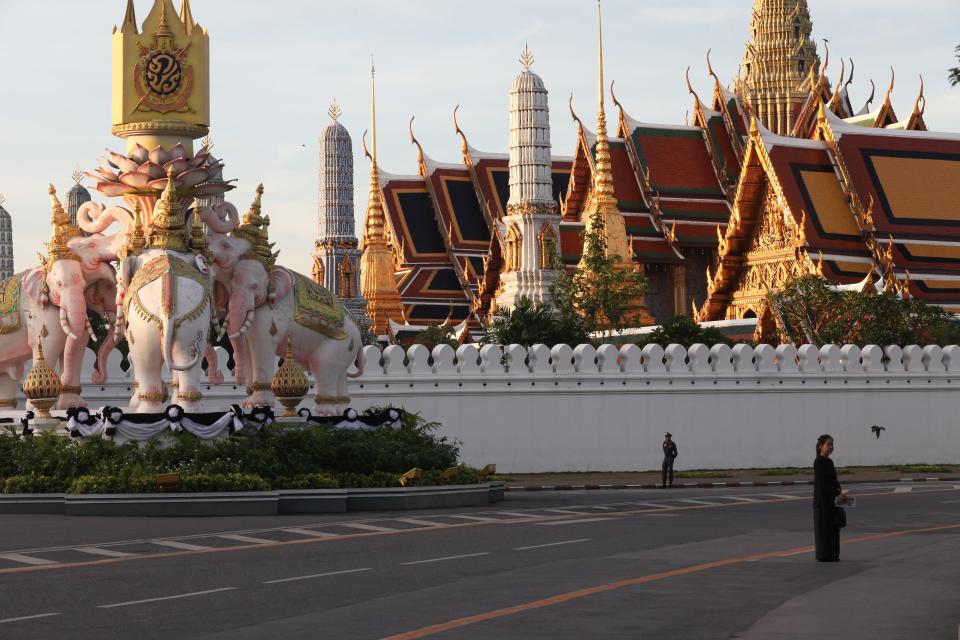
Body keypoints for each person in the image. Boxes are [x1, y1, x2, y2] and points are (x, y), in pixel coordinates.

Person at [813, 434, 848, 562]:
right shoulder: (818, 462)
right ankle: (824, 555)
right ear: (820, 446)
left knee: (834, 528)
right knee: (824, 529)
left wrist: (840, 491)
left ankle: (833, 554)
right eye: (828, 444)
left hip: (832, 500)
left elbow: (833, 481)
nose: (831, 447)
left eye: (832, 445)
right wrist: (836, 492)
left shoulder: (829, 461)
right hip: (822, 502)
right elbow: (823, 483)